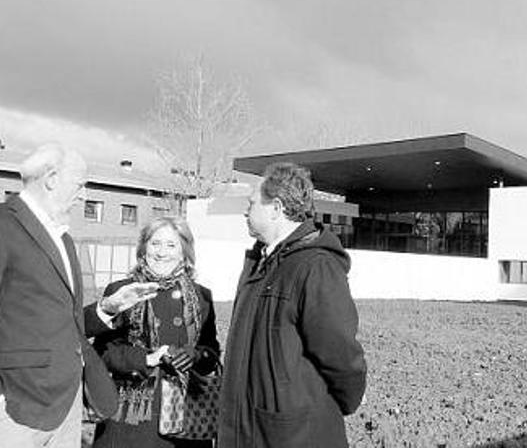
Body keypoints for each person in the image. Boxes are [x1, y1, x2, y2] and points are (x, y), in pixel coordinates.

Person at [0, 143, 159, 447]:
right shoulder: (4, 225)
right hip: (16, 408)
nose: (84, 193)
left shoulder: (65, 240)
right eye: (79, 183)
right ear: (51, 179)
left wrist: (108, 308)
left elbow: (64, 321)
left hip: (66, 406)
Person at [219, 162, 367, 448]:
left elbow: (340, 354)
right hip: (248, 430)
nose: (245, 210)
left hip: (292, 435)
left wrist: (346, 400)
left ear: (276, 208)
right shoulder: (259, 263)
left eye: (252, 203)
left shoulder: (316, 266)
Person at [91, 216, 220, 448]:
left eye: (171, 245)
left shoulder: (202, 297)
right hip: (132, 412)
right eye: (155, 243)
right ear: (143, 248)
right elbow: (103, 353)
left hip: (185, 414)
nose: (162, 253)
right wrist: (145, 359)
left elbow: (212, 353)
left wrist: (196, 355)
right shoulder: (122, 291)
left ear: (184, 252)